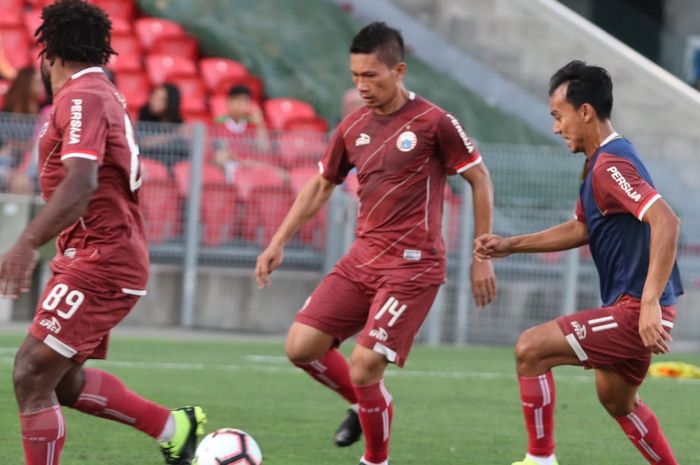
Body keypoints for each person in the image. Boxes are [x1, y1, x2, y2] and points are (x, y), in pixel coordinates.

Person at [256, 22, 496, 465]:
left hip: (413, 267)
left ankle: (375, 459)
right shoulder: (352, 127)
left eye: (372, 76)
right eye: (355, 76)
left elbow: (479, 180)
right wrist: (278, 241)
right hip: (362, 260)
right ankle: (365, 402)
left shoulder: (434, 122)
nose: (362, 85)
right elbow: (321, 186)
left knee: (365, 365)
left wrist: (482, 256)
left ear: (399, 70)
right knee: (301, 348)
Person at [0, 2, 206, 464]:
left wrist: (25, 243)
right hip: (93, 254)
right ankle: (174, 428)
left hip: (102, 259)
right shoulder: (99, 91)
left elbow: (81, 180)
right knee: (62, 382)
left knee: (30, 373)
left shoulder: (82, 98)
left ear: (48, 52)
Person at [474, 60, 683, 465]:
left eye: (558, 116)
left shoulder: (610, 164)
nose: (555, 127)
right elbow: (581, 228)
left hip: (636, 308)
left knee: (530, 349)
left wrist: (649, 303)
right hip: (631, 307)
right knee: (617, 401)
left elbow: (666, 221)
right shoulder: (598, 163)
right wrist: (510, 245)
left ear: (585, 111)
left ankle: (540, 460)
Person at [215, 84, 270, 154]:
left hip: (250, 162)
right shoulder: (219, 123)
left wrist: (259, 125)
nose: (241, 104)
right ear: (229, 102)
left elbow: (263, 148)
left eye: (245, 101)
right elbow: (222, 150)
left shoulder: (253, 125)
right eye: (238, 101)